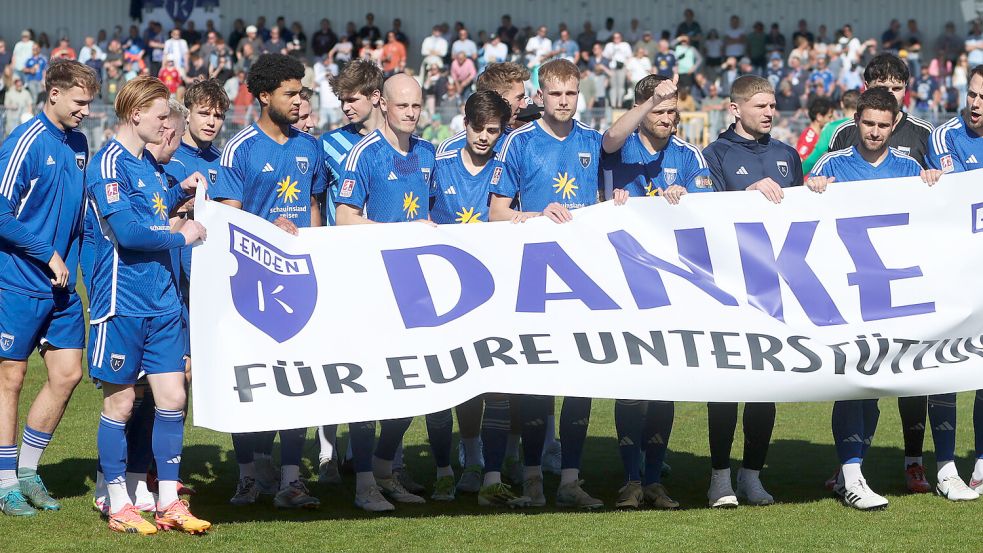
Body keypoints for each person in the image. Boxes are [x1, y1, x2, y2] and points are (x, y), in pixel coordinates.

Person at [807, 86, 945, 508]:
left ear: (895, 124)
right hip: (848, 295)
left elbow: (935, 220)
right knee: (853, 384)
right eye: (867, 123)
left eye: (883, 125)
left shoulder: (909, 168)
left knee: (875, 390)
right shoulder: (834, 163)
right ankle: (851, 476)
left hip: (895, 296)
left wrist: (933, 184)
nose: (874, 132)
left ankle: (852, 469)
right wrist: (810, 187)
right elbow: (797, 210)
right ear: (855, 121)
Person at [85, 75, 208, 534]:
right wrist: (180, 234)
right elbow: (131, 234)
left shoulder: (150, 167)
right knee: (119, 405)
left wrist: (181, 193)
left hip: (163, 305)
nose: (167, 126)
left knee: (173, 398)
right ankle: (117, 501)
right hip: (122, 304)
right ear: (135, 115)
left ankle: (169, 501)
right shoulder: (108, 165)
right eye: (160, 117)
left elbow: (152, 210)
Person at [209, 54, 325, 511]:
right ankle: (248, 477)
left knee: (297, 380)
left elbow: (315, 210)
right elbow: (227, 223)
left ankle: (292, 481)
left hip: (300, 282)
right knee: (251, 381)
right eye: (290, 94)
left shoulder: (309, 147)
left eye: (302, 93)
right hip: (251, 285)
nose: (300, 102)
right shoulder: (239, 148)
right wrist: (267, 227)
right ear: (263, 96)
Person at [489, 59, 604, 509]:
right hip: (534, 277)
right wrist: (539, 216)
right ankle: (534, 480)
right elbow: (497, 211)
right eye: (554, 94)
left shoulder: (593, 142)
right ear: (539, 95)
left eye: (570, 94)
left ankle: (571, 480)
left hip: (585, 280)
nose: (562, 102)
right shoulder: (518, 141)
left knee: (581, 381)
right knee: (537, 382)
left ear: (580, 95)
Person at [600, 74, 714, 509]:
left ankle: (653, 479)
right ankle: (629, 480)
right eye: (659, 111)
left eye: (672, 111)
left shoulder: (688, 155)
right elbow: (610, 139)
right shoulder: (622, 144)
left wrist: (687, 199)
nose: (668, 119)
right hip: (622, 281)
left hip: (672, 287)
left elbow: (710, 210)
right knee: (632, 382)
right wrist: (649, 102)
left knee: (664, 382)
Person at [333, 73, 436, 511]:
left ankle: (384, 469)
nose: (411, 113)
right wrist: (401, 232)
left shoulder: (430, 153)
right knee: (371, 385)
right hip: (372, 284)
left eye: (417, 105)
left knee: (415, 384)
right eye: (403, 105)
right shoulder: (365, 154)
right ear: (382, 104)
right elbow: (343, 217)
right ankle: (362, 485)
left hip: (418, 287)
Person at [0, 60, 96, 518]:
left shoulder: (79, 145)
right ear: (52, 93)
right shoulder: (24, 143)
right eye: (80, 103)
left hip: (61, 288)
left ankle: (28, 472)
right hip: (18, 280)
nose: (85, 112)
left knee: (67, 375)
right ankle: (4, 483)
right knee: (11, 379)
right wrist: (47, 252)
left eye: (89, 104)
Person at [701, 75, 802, 507]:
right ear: (734, 108)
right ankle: (719, 477)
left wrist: (816, 190)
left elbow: (802, 218)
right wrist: (744, 196)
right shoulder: (714, 154)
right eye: (760, 105)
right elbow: (703, 215)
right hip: (727, 288)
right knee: (727, 385)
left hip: (773, 289)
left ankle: (752, 475)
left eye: (772, 105)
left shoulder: (787, 155)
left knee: (766, 386)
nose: (768, 112)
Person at [428, 91, 523, 506]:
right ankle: (447, 470)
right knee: (444, 383)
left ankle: (492, 475)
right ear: (463, 122)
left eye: (493, 130)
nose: (484, 137)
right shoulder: (439, 163)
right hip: (443, 288)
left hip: (497, 287)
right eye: (478, 128)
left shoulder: (507, 165)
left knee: (497, 383)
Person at [925, 64, 983, 499]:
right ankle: (945, 465)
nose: (976, 104)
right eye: (973, 94)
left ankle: (981, 459)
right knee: (946, 366)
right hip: (952, 273)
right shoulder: (945, 137)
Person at [803, 89, 859, 174]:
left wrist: (799, 173)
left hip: (840, 176)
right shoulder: (867, 125)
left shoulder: (831, 127)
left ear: (842, 104)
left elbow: (817, 155)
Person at [797, 97, 836, 161]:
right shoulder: (809, 138)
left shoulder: (822, 135)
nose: (831, 120)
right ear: (819, 117)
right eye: (829, 117)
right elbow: (800, 163)